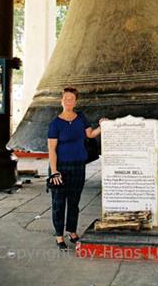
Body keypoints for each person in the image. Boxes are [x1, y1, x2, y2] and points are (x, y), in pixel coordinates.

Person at [47, 86, 105, 249]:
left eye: (71, 99)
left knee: (74, 201)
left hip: (78, 166)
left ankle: (72, 231)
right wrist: (54, 171)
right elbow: (51, 149)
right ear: (61, 100)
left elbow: (90, 134)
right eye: (65, 98)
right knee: (59, 203)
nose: (68, 101)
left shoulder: (81, 118)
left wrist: (102, 126)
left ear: (75, 101)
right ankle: (59, 235)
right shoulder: (55, 124)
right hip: (61, 168)